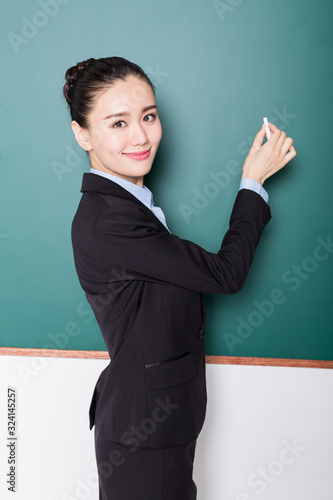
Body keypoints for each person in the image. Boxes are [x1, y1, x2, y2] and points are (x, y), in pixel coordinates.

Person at [63, 56, 296, 500]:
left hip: (152, 422)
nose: (141, 136)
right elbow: (224, 274)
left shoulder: (127, 205)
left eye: (148, 116)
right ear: (82, 134)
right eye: (118, 123)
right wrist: (253, 182)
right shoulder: (111, 221)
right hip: (143, 431)